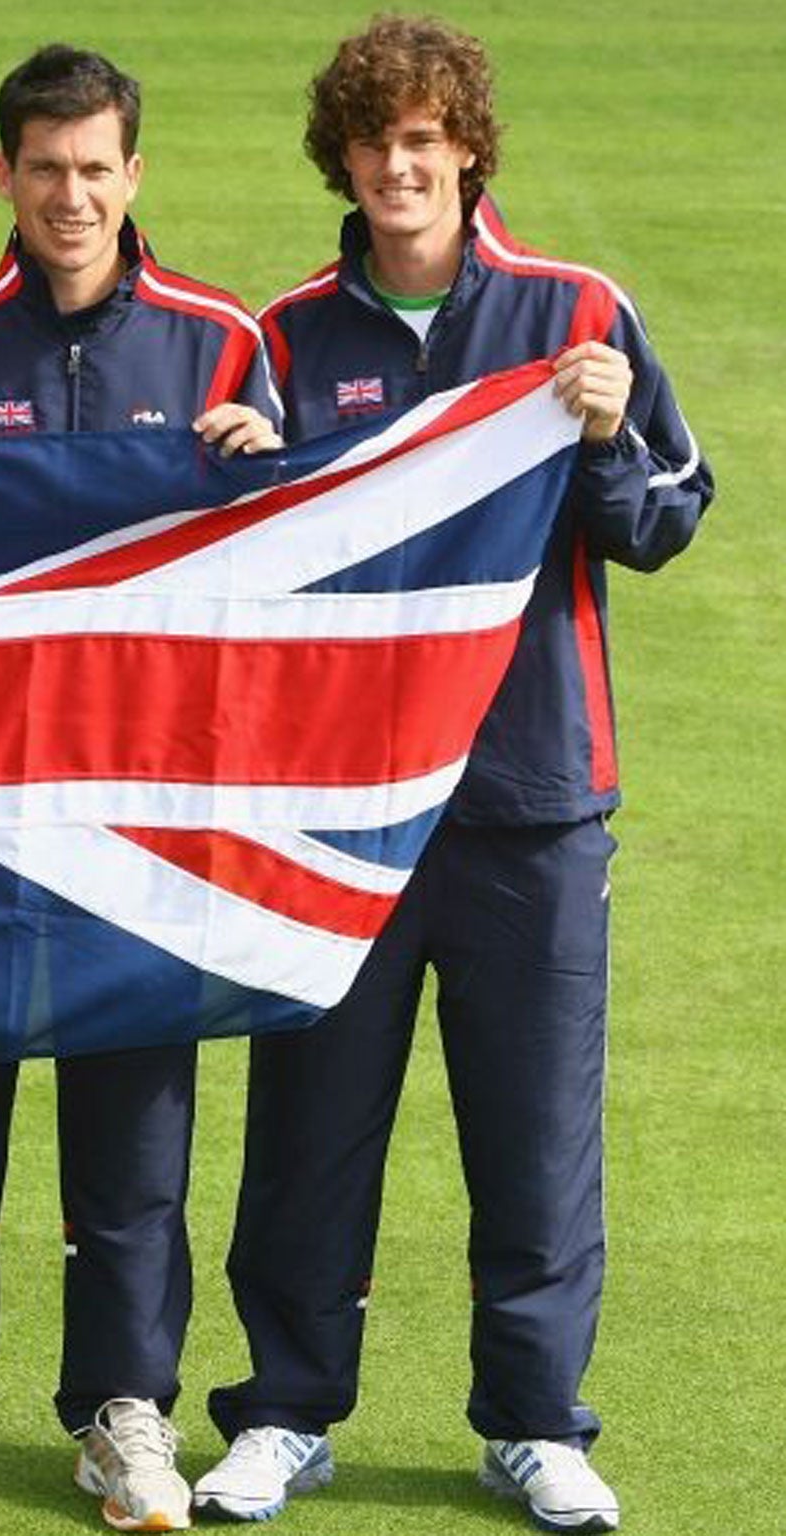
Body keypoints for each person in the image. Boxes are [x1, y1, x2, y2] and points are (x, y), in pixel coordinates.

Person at [193, 17, 711, 1534]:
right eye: (376, 143)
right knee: (311, 1129)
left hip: (533, 803)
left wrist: (613, 440)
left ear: (467, 148)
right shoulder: (288, 338)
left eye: (426, 139)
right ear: (344, 162)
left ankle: (536, 1424)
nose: (402, 165)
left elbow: (673, 516)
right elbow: (238, 574)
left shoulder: (575, 312)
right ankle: (286, 1412)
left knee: (536, 1131)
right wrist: (234, 475)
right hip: (340, 810)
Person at [0, 44, 280, 1535]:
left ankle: (123, 1414)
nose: (70, 195)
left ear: (133, 175)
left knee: (134, 1150)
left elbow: (303, 554)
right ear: (2, 176)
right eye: (44, 168)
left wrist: (280, 466)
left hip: (142, 816)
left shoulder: (220, 346)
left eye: (96, 169)